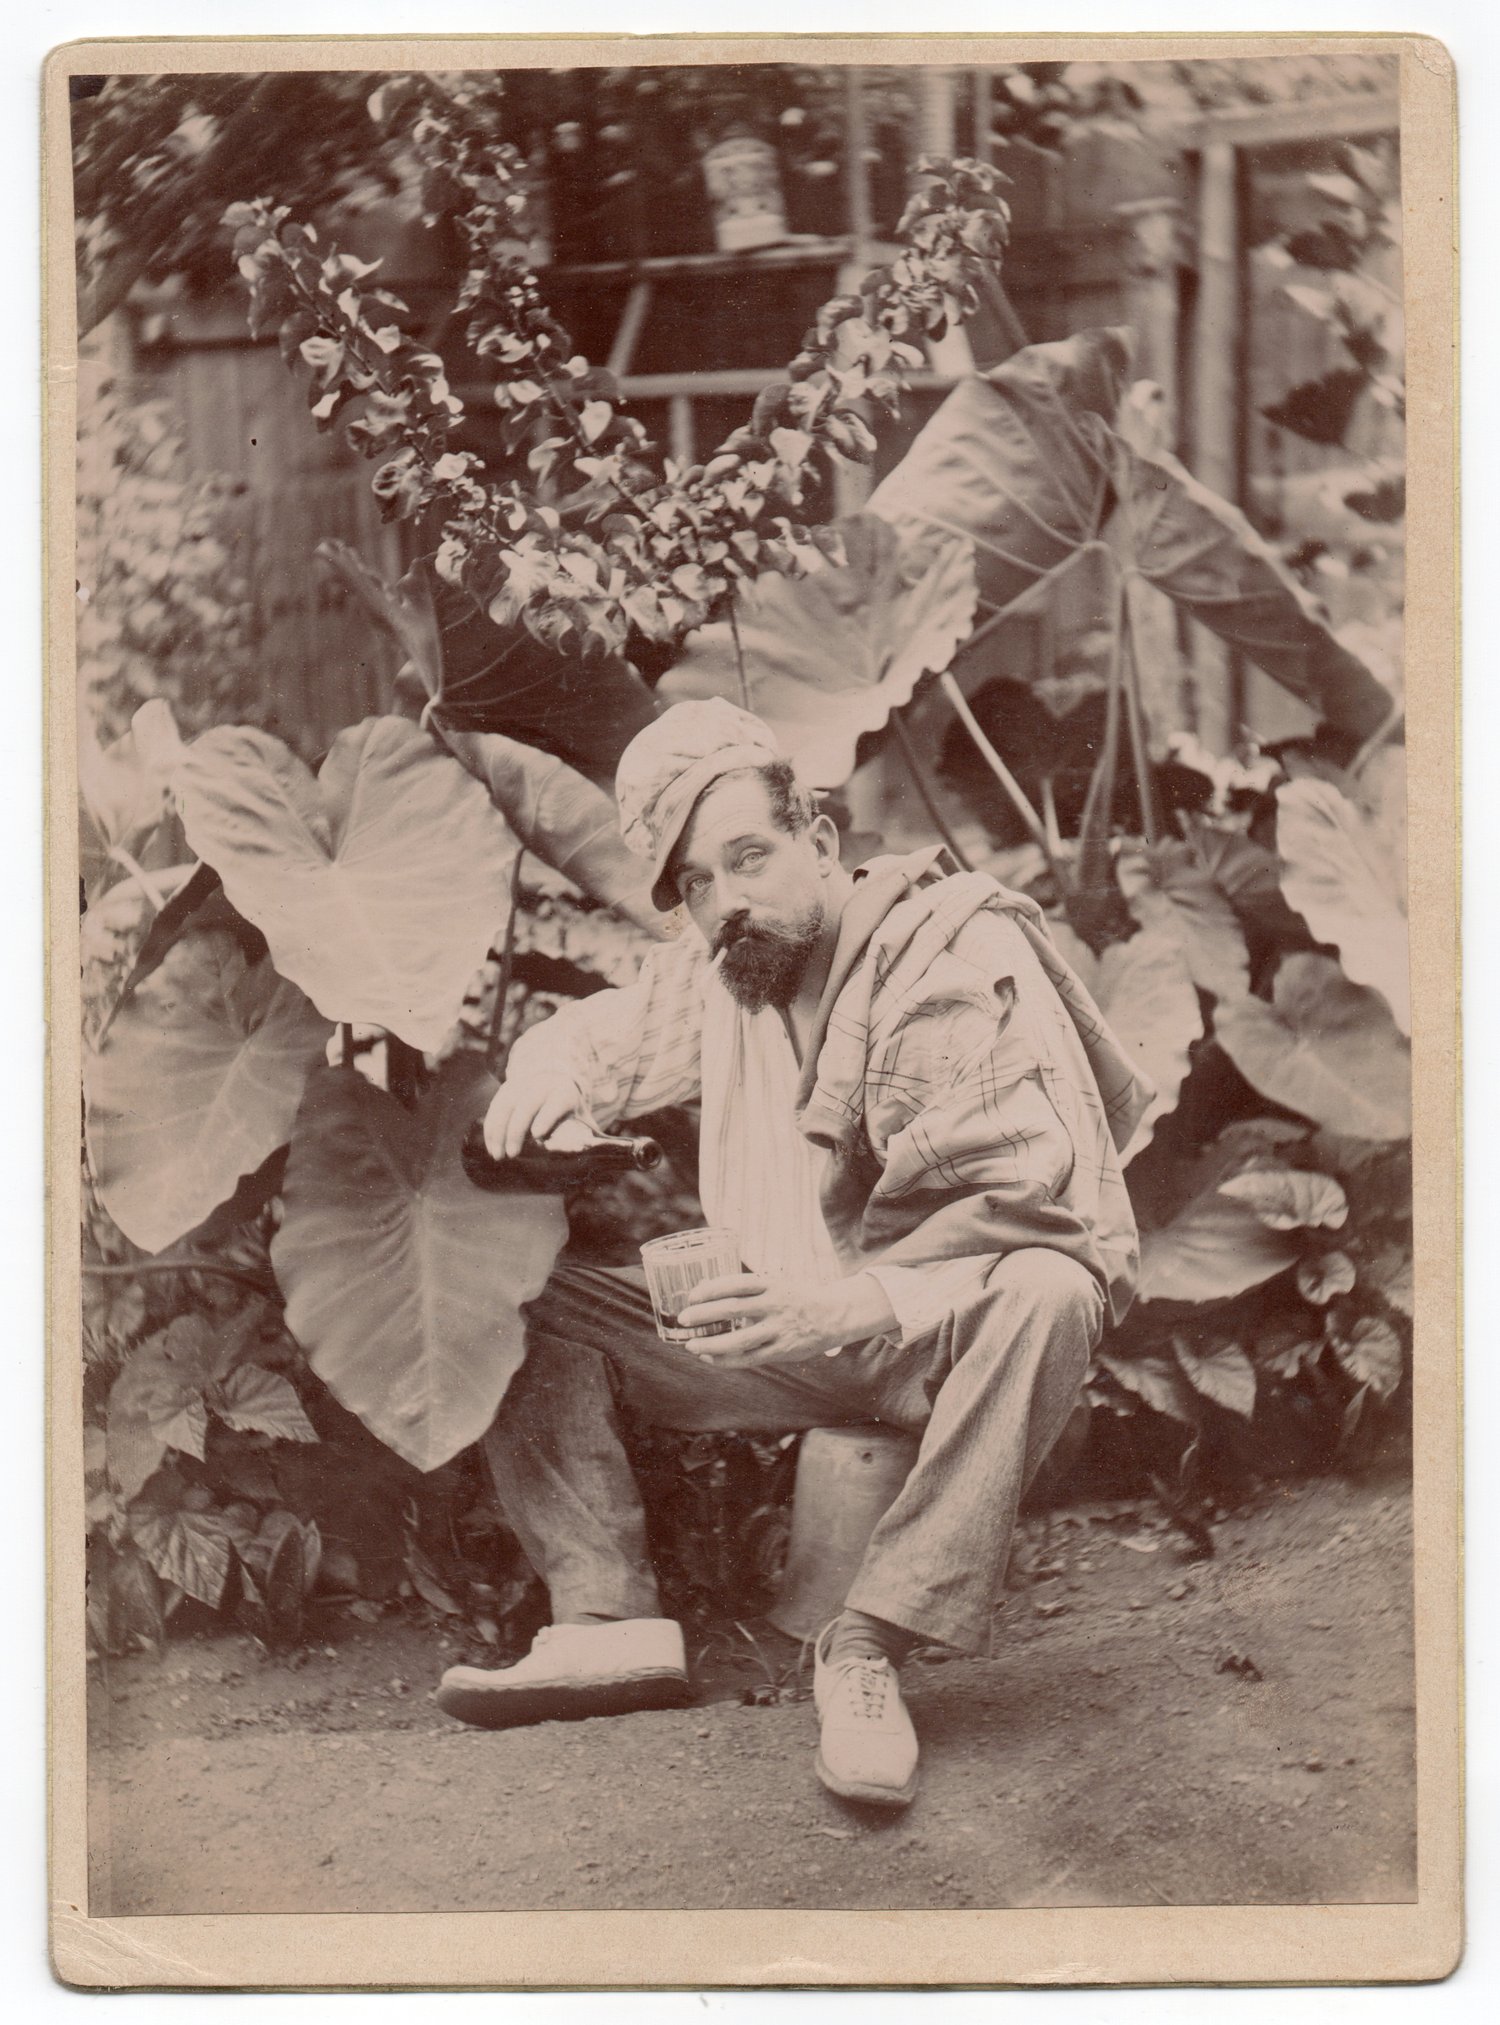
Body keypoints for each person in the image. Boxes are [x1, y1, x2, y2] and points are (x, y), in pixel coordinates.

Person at [435, 697, 1151, 1809]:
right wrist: (545, 1085)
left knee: (1052, 1292)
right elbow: (608, 1042)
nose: (729, 902)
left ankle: (865, 1650)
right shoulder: (735, 963)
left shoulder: (948, 954)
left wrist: (851, 1302)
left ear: (821, 841)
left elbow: (1039, 1214)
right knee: (516, 1295)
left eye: (750, 858)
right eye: (697, 886)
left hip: (941, 1343)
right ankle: (605, 1617)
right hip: (786, 1333)